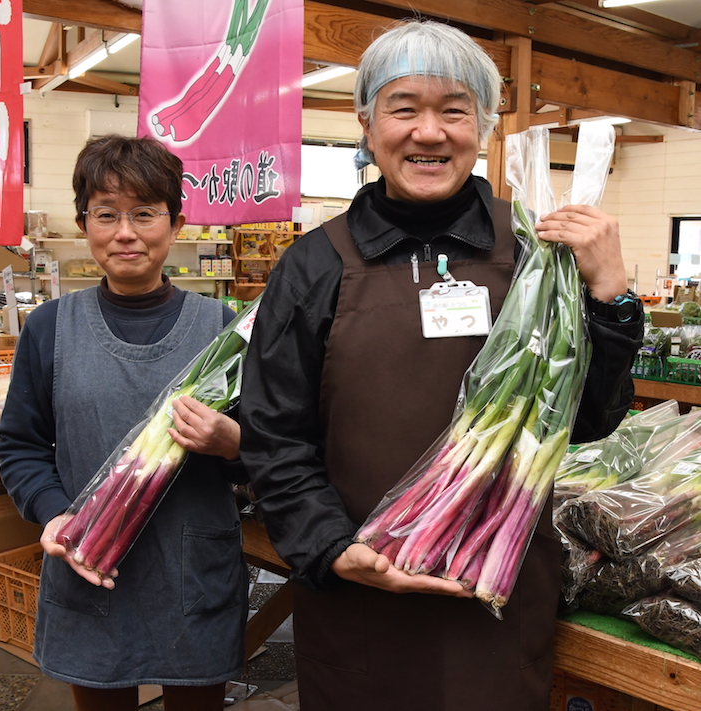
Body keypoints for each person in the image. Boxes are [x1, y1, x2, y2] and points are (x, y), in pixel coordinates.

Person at [239, 19, 643, 711]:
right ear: (366, 124)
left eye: (454, 109)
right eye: (404, 108)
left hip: (496, 595)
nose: (429, 132)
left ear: (483, 125)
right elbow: (273, 436)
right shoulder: (312, 266)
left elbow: (588, 420)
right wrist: (331, 546)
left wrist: (611, 299)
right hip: (359, 595)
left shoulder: (536, 258)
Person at [0, 135, 248, 711]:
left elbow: (275, 447)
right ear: (86, 224)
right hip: (88, 561)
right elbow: (20, 445)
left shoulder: (225, 329)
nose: (125, 232)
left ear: (176, 223)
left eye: (144, 213)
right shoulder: (50, 328)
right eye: (106, 214)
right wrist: (54, 513)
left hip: (191, 572)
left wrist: (231, 442)